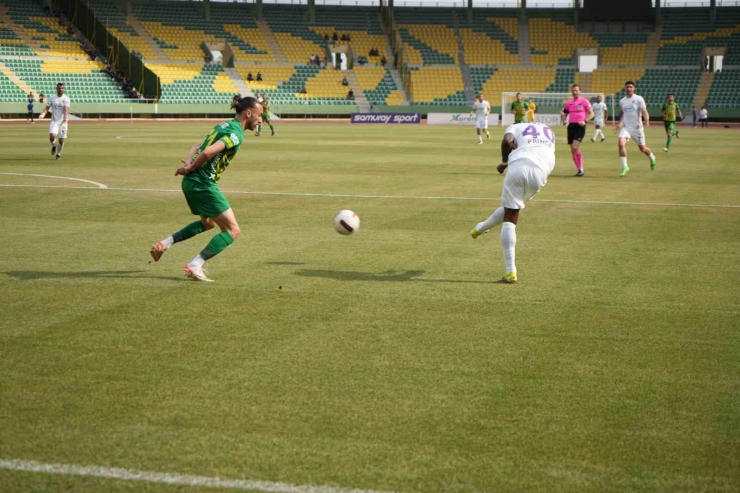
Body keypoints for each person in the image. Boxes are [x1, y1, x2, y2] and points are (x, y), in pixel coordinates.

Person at [149, 97, 263, 282]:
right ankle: (195, 265)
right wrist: (191, 167)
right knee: (233, 230)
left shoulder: (223, 125)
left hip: (191, 183)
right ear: (248, 113)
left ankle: (164, 244)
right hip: (202, 184)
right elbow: (208, 152)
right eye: (259, 115)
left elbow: (197, 146)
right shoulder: (235, 134)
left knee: (208, 222)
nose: (260, 120)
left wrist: (188, 162)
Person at [469, 122, 556, 284]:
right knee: (513, 208)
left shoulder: (515, 127)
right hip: (542, 173)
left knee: (510, 217)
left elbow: (506, 141)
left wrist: (504, 163)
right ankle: (480, 228)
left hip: (519, 166)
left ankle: (510, 271)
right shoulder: (548, 129)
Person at [616, 80, 656, 177]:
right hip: (626, 127)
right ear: (624, 89)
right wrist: (620, 123)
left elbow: (644, 110)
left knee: (642, 148)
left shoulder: (639, 99)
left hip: (637, 128)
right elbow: (624, 114)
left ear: (634, 88)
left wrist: (647, 119)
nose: (629, 89)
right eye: (627, 87)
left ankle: (652, 157)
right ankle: (625, 167)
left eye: (630, 87)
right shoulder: (622, 101)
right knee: (621, 144)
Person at [560, 84, 593, 177]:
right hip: (571, 127)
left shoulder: (584, 101)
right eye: (573, 90)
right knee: (572, 150)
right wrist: (564, 119)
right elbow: (565, 114)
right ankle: (579, 169)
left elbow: (591, 114)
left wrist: (585, 121)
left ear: (580, 91)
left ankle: (581, 169)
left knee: (575, 147)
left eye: (576, 90)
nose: (575, 92)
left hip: (580, 126)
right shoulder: (569, 103)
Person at [38, 82, 69, 161]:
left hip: (63, 122)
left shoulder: (66, 98)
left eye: (62, 88)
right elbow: (47, 107)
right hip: (54, 120)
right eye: (59, 88)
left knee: (61, 140)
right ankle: (54, 145)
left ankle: (58, 154)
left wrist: (65, 119)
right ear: (56, 88)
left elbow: (66, 109)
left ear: (64, 89)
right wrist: (43, 114)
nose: (61, 89)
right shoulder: (52, 98)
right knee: (52, 136)